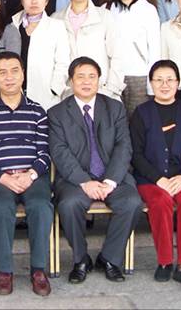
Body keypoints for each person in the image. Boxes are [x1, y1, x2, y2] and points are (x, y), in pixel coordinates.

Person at [48, 57, 142, 284]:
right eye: (80, 76)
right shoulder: (57, 113)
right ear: (71, 81)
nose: (86, 81)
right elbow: (59, 152)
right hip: (75, 180)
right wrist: (84, 181)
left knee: (131, 202)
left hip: (112, 177)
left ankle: (109, 258)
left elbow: (123, 146)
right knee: (69, 204)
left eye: (92, 76)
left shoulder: (115, 108)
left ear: (99, 80)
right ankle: (81, 259)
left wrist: (110, 181)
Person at [0, 52, 53, 297]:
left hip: (33, 177)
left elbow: (45, 153)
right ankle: (5, 271)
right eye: (2, 72)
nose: (9, 77)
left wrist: (30, 175)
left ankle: (38, 270)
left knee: (41, 206)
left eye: (14, 71)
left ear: (23, 74)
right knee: (0, 208)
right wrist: (4, 177)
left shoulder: (37, 111)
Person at [130, 60, 181, 290]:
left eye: (170, 80)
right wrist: (159, 179)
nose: (164, 85)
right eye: (159, 80)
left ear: (178, 83)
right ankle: (164, 261)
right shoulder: (141, 113)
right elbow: (136, 154)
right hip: (151, 179)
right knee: (160, 201)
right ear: (151, 83)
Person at [53, 0, 125, 101]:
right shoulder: (56, 19)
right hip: (67, 94)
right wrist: (58, 89)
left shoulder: (105, 16)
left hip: (102, 91)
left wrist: (111, 89)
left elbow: (117, 55)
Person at [105, 0, 160, 116]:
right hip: (113, 77)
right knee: (115, 122)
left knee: (139, 121)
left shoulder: (148, 10)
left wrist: (152, 83)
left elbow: (155, 48)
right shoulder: (107, 9)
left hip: (140, 77)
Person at [10, 0, 70, 110]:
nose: (34, 1)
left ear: (46, 1)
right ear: (22, 1)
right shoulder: (13, 26)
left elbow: (63, 61)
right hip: (15, 92)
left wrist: (55, 88)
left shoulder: (56, 26)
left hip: (46, 94)